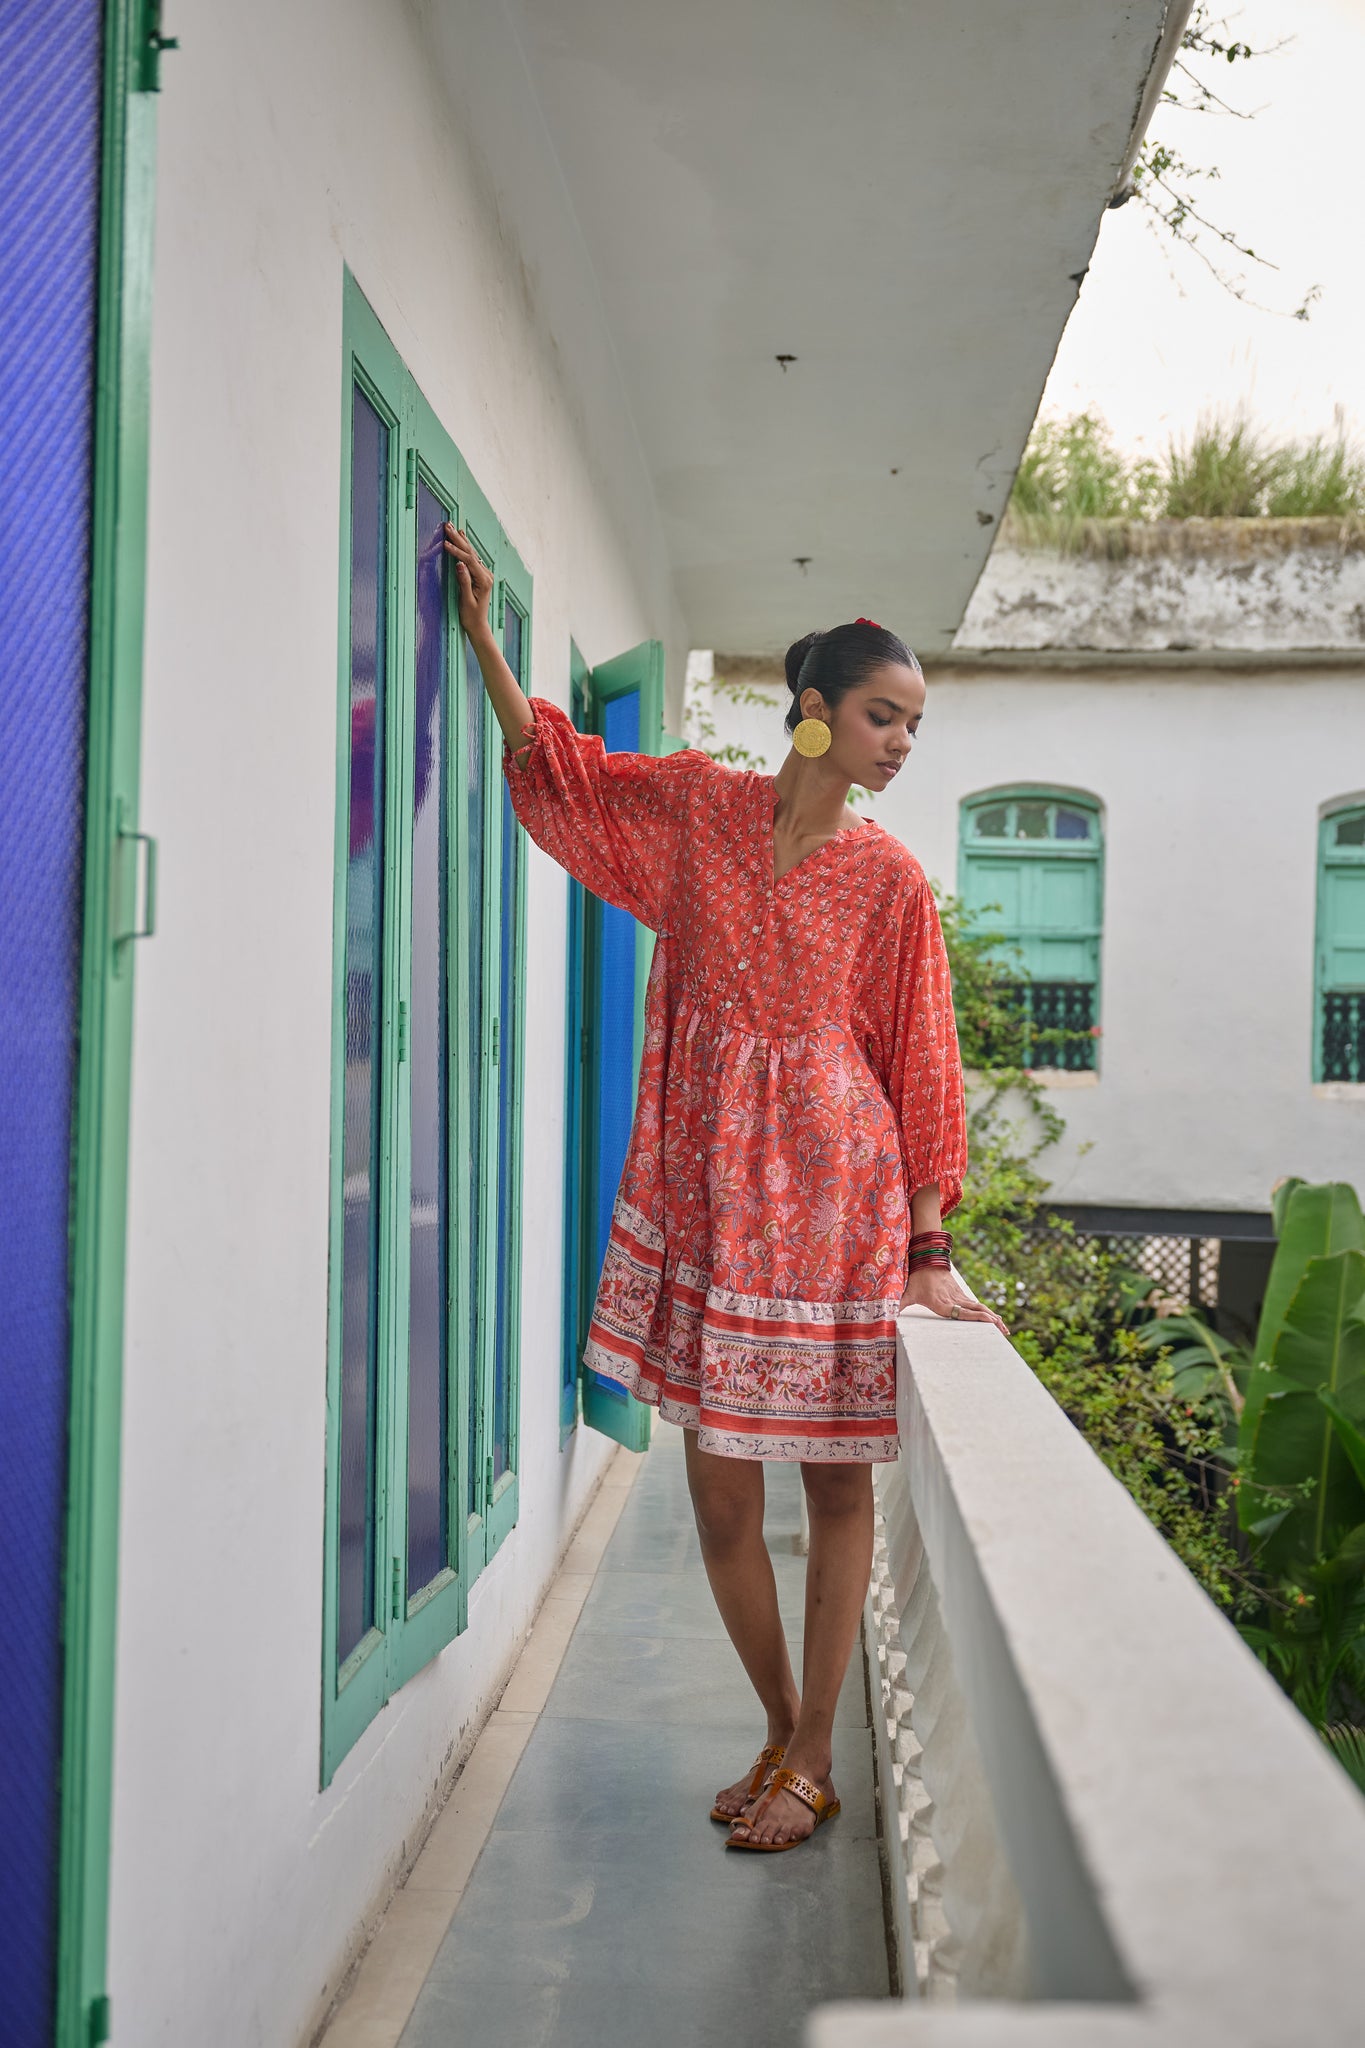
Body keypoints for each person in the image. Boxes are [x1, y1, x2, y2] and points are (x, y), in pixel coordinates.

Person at [444, 524, 1006, 1852]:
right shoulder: (700, 812)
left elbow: (920, 1058)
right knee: (717, 1491)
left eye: (913, 726)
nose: (900, 744)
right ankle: (779, 1727)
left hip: (837, 1209)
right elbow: (566, 779)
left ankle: (812, 1761)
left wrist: (929, 1245)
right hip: (714, 1204)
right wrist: (482, 639)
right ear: (814, 710)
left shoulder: (890, 882)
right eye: (882, 716)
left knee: (834, 1490)